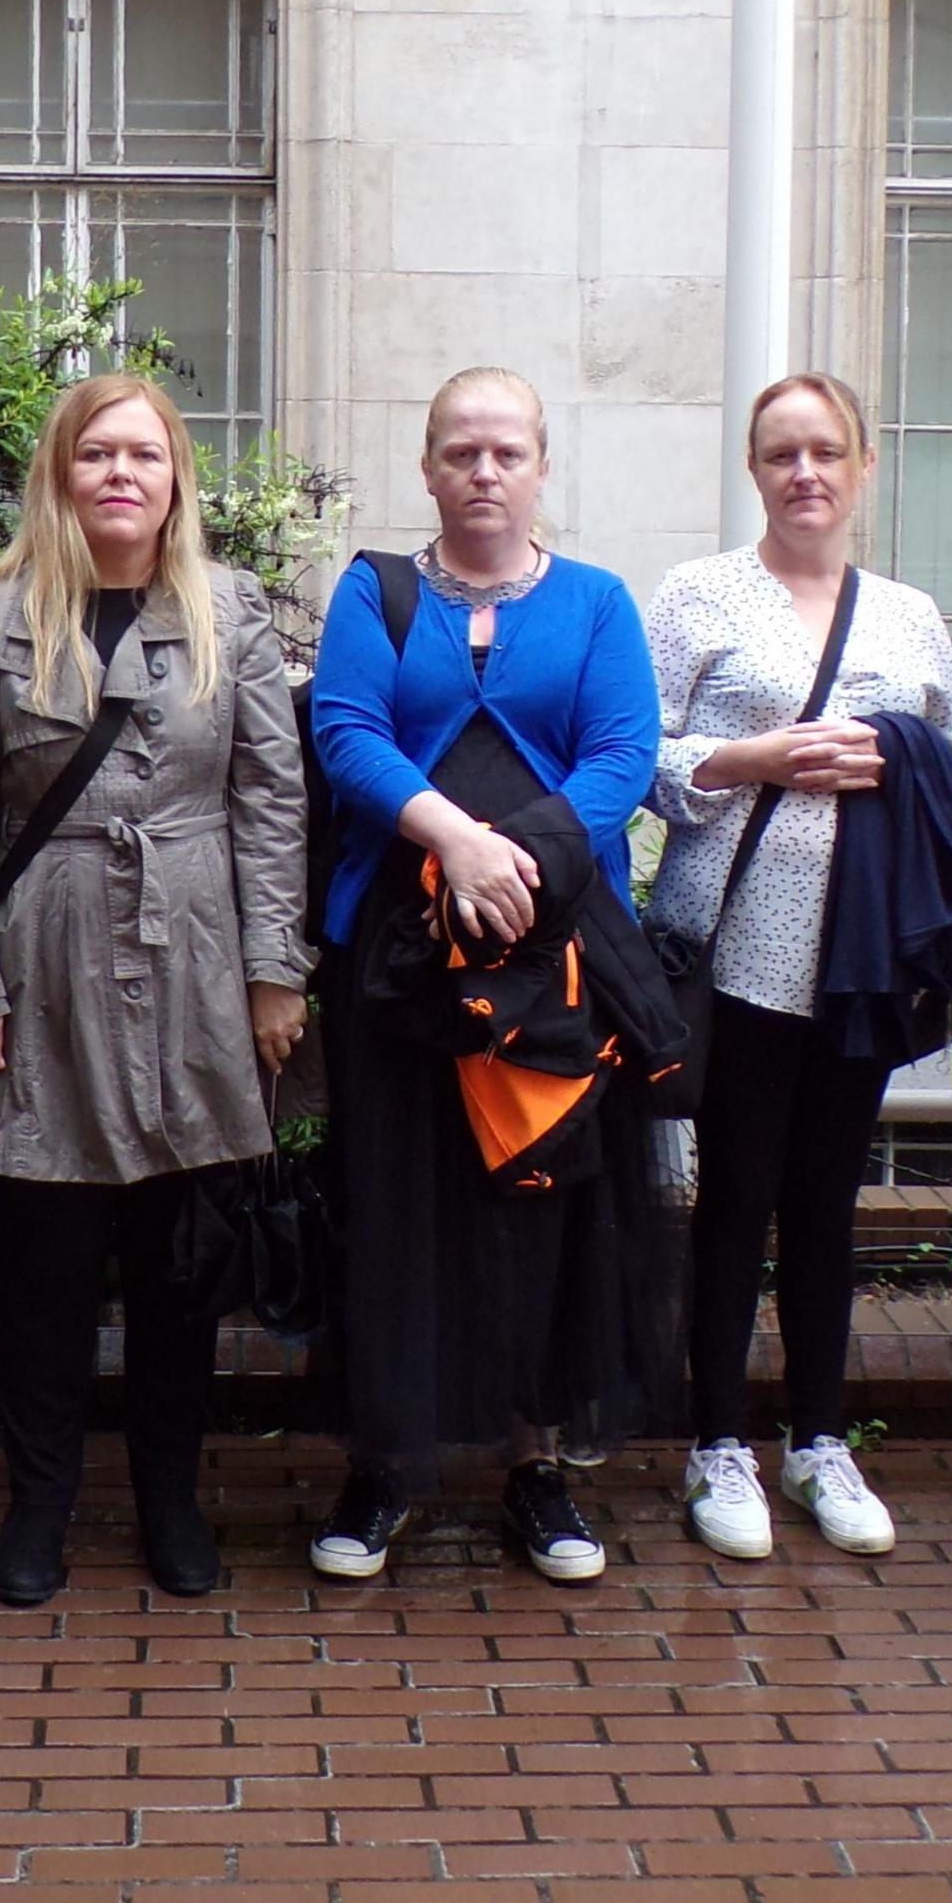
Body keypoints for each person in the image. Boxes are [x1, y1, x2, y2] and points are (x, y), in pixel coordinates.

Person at [0, 372, 311, 1607]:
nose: (121, 475)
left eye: (144, 454)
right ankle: (38, 1507)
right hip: (45, 965)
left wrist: (273, 972)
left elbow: (271, 801)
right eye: (97, 456)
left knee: (179, 1265)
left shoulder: (232, 613)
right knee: (45, 1264)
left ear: (177, 475)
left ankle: (169, 1501)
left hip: (195, 957)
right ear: (62, 475)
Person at [305, 366, 671, 1585]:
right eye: (461, 452)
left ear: (541, 467)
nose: (484, 472)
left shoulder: (598, 602)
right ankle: (388, 1464)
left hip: (554, 956)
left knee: (546, 1206)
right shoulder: (376, 592)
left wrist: (523, 858)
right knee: (398, 1203)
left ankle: (536, 1464)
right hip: (400, 963)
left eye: (507, 452)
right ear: (426, 467)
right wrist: (451, 839)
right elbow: (345, 730)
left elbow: (627, 751)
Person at [644, 373, 952, 1561]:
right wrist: (755, 757)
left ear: (864, 466)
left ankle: (821, 1439)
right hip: (733, 952)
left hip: (862, 960)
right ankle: (716, 1442)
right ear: (754, 469)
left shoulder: (910, 616)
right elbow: (643, 759)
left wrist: (899, 764)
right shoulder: (697, 597)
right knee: (732, 1199)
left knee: (827, 1204)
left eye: (827, 452)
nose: (806, 474)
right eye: (782, 454)